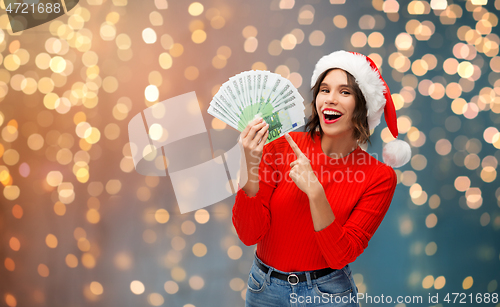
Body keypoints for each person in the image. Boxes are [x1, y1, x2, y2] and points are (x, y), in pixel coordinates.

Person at [232, 50, 411, 307]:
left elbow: (340, 255)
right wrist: (248, 162)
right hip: (264, 290)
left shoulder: (379, 177)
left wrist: (315, 192)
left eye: (345, 92)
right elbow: (249, 234)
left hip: (327, 296)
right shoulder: (281, 146)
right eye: (324, 90)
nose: (331, 99)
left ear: (363, 106)